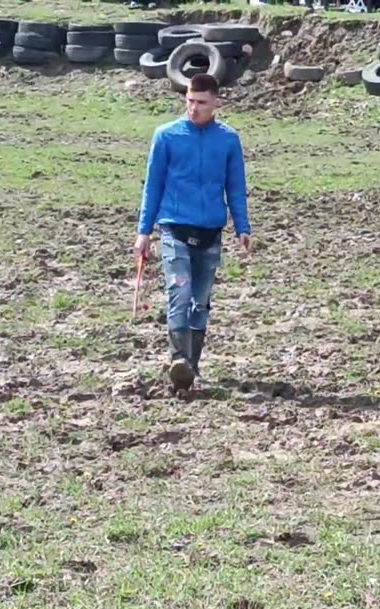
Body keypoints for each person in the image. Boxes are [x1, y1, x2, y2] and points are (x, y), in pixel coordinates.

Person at [134, 72, 253, 392]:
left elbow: (236, 186)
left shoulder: (228, 140)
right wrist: (144, 231)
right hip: (174, 227)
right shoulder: (166, 136)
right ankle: (178, 359)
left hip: (211, 230)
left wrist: (242, 226)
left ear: (216, 103)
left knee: (200, 301)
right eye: (189, 101)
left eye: (201, 102)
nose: (194, 108)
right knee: (180, 292)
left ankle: (192, 367)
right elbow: (153, 185)